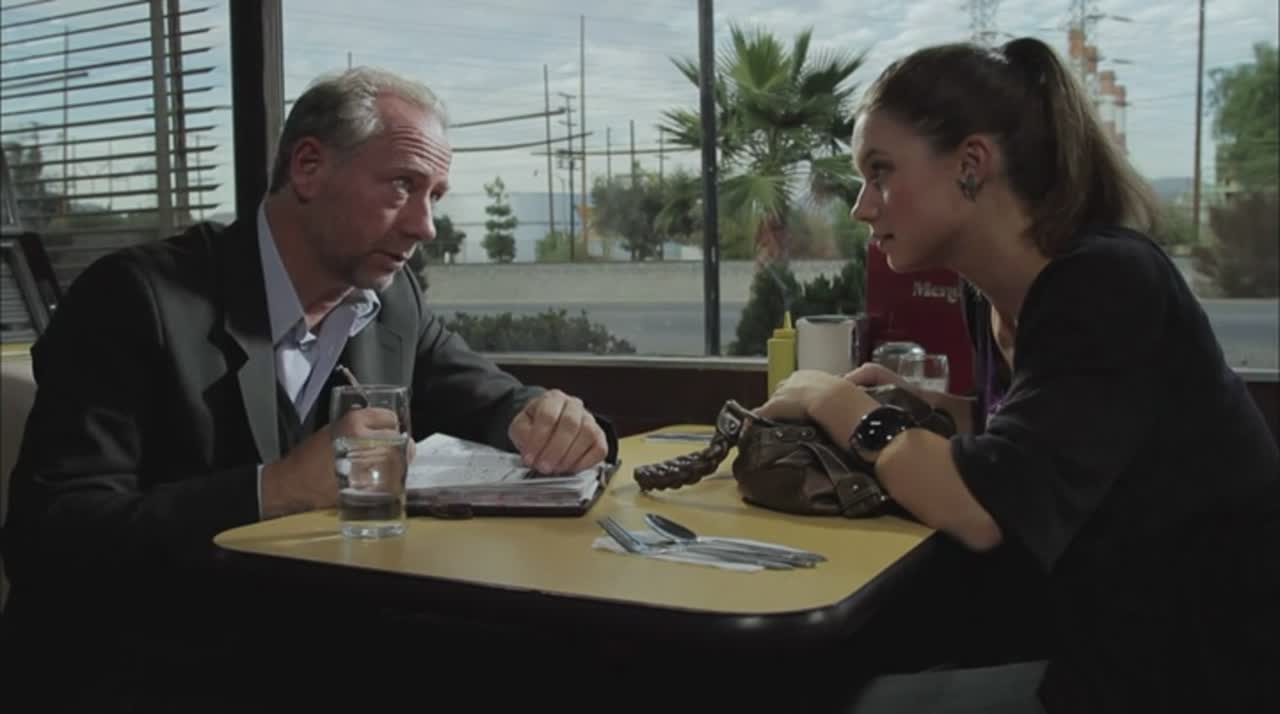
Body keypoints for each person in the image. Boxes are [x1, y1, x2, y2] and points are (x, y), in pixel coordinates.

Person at [2, 67, 610, 708]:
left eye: (434, 195)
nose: (425, 226)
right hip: (141, 668)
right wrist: (276, 489)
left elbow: (482, 392)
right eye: (402, 185)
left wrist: (540, 414)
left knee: (579, 661)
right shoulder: (135, 298)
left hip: (312, 642)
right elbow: (50, 542)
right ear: (309, 167)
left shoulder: (391, 299)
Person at [758, 38, 1280, 713]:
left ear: (972, 165)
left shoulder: (1106, 282)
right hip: (1090, 630)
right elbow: (1038, 435)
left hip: (1188, 670)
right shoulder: (998, 296)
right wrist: (923, 405)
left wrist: (831, 399)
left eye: (880, 172)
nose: (862, 206)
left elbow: (983, 509)